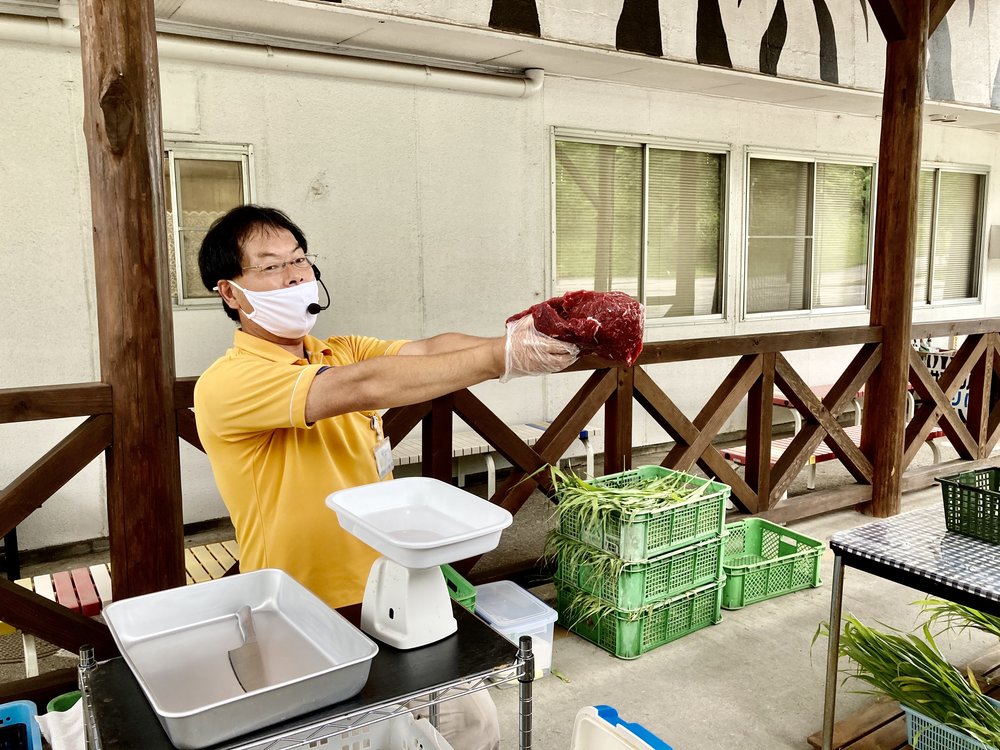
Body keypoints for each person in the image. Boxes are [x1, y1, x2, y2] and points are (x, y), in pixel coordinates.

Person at [193, 204, 578, 750]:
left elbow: (426, 351)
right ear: (230, 293)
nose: (296, 276)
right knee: (376, 739)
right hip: (305, 608)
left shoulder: (338, 350)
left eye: (300, 260)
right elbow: (363, 387)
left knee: (475, 725)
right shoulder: (228, 382)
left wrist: (526, 337)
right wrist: (502, 357)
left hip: (397, 586)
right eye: (272, 266)